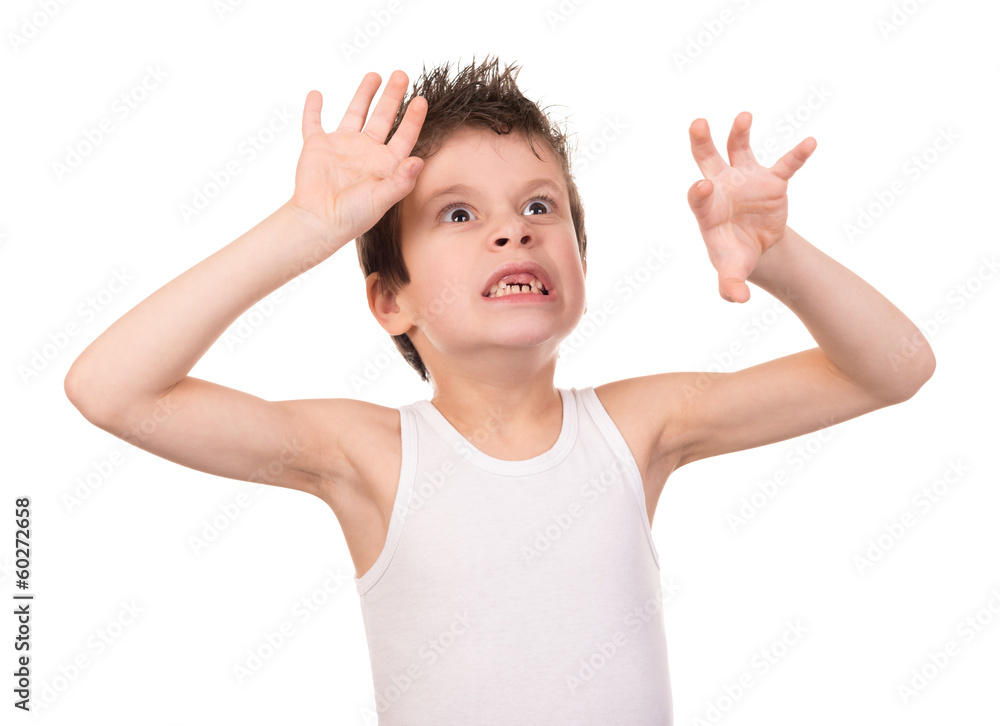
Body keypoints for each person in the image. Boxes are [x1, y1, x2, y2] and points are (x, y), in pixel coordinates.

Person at [64, 57, 935, 725]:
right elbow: (111, 390)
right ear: (390, 299)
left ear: (580, 264)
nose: (514, 230)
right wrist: (301, 229)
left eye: (540, 207)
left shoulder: (636, 428)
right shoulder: (370, 456)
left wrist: (779, 257)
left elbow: (893, 367)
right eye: (459, 214)